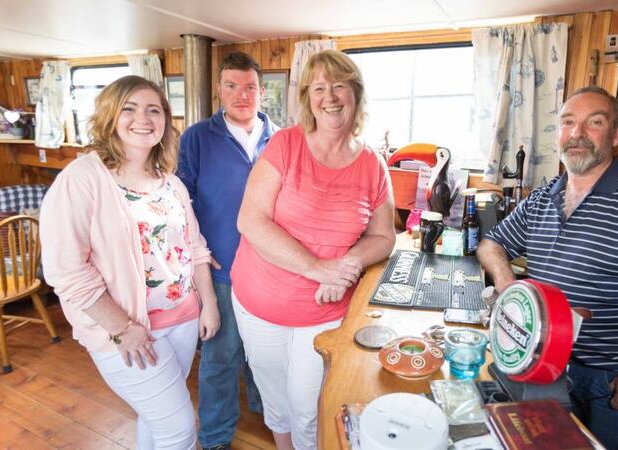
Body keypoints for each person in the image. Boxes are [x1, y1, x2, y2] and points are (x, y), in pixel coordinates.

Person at [478, 86, 618, 450]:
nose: (578, 133)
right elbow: (492, 243)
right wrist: (509, 288)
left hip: (611, 382)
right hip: (543, 365)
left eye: (594, 122)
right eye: (568, 123)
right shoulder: (543, 197)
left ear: (615, 134)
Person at [40, 75, 220, 449]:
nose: (144, 118)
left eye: (154, 109)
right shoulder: (83, 178)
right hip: (129, 332)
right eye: (130, 108)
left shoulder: (169, 182)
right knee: (180, 429)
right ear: (110, 116)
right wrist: (123, 328)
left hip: (183, 319)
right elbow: (67, 271)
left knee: (156, 420)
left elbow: (195, 245)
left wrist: (209, 305)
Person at [231, 49, 395, 450]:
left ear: (355, 94)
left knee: (307, 405)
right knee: (275, 398)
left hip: (324, 311)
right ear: (308, 98)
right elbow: (250, 221)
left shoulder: (374, 164)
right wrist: (317, 267)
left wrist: (347, 265)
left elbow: (385, 237)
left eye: (340, 85)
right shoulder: (285, 146)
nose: (330, 96)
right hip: (258, 303)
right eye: (319, 88)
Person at [177, 51, 278, 450]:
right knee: (220, 359)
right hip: (220, 270)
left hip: (271, 271)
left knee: (264, 355)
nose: (241, 95)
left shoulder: (282, 140)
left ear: (261, 92)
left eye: (249, 87)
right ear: (219, 89)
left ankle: (267, 414)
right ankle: (216, 437)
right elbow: (181, 202)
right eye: (232, 86)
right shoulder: (196, 138)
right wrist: (196, 253)